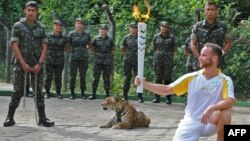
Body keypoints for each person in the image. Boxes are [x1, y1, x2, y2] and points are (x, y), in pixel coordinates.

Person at [135, 43, 235, 141]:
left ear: (214, 58)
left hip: (211, 122)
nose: (199, 57)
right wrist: (145, 84)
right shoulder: (191, 77)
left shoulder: (225, 80)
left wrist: (212, 107)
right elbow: (167, 89)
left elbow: (230, 101)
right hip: (191, 122)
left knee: (225, 113)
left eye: (203, 55)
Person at [3, 1, 54, 127]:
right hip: (21, 64)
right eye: (29, 10)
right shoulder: (18, 26)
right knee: (18, 91)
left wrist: (40, 64)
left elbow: (44, 46)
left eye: (33, 10)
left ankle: (42, 118)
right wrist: (23, 64)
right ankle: (10, 117)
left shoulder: (41, 27)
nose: (31, 13)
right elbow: (14, 46)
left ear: (37, 12)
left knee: (38, 91)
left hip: (37, 64)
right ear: (25, 10)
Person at [191, 1, 231, 70]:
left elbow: (228, 43)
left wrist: (220, 54)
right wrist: (200, 58)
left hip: (217, 63)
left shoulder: (222, 26)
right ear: (204, 11)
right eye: (208, 9)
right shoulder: (198, 26)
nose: (210, 12)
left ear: (216, 11)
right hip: (201, 64)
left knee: (217, 80)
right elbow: (192, 44)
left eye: (212, 10)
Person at [151, 21, 177, 104]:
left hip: (168, 61)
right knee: (158, 79)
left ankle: (168, 98)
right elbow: (154, 48)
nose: (164, 28)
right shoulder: (156, 37)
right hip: (158, 60)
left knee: (167, 79)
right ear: (160, 27)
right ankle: (157, 97)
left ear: (168, 28)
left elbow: (174, 49)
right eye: (162, 26)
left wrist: (167, 54)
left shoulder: (172, 37)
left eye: (166, 26)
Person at [88, 24, 115, 100]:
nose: (103, 30)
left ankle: (107, 95)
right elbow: (92, 48)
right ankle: (93, 94)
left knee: (106, 79)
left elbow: (113, 49)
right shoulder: (96, 39)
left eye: (105, 29)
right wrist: (97, 54)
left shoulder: (110, 40)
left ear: (106, 31)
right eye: (102, 29)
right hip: (97, 62)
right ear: (99, 30)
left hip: (107, 62)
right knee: (95, 78)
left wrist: (108, 56)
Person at [44, 20, 68, 99]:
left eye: (59, 26)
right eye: (56, 26)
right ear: (53, 27)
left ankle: (58, 93)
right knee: (48, 77)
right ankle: (47, 92)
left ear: (61, 28)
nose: (58, 27)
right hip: (49, 59)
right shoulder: (48, 36)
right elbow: (44, 47)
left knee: (58, 77)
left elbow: (67, 48)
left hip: (59, 60)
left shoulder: (64, 37)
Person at [68, 18, 91, 100]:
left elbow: (89, 44)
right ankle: (72, 93)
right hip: (74, 58)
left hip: (83, 58)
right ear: (75, 24)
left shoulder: (87, 34)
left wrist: (85, 49)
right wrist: (73, 52)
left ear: (83, 25)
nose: (79, 25)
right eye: (78, 23)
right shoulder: (71, 34)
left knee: (83, 76)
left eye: (81, 23)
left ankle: (82, 93)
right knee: (72, 76)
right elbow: (68, 45)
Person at [120, 22, 144, 103]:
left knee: (139, 78)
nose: (134, 29)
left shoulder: (141, 37)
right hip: (128, 61)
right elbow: (122, 49)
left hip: (138, 61)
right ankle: (125, 96)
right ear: (130, 28)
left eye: (135, 28)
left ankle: (139, 96)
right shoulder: (126, 38)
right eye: (132, 28)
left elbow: (145, 49)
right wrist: (128, 54)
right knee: (127, 78)